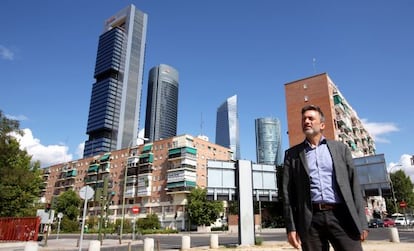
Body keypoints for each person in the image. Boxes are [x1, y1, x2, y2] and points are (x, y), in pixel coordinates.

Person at [282, 104, 368, 251]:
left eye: (310, 118)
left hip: (341, 215)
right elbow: (287, 194)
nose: (306, 121)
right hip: (310, 220)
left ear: (322, 125)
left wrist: (362, 222)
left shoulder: (341, 149)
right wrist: (291, 227)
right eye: (304, 119)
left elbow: (354, 185)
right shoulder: (292, 155)